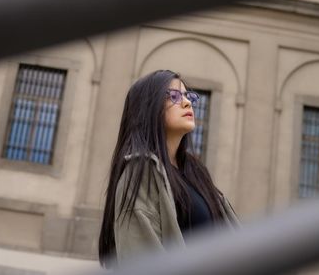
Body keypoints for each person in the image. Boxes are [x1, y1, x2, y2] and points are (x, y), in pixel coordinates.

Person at [98, 70, 239, 267]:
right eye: (173, 96)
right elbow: (141, 261)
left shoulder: (195, 172)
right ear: (148, 107)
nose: (187, 102)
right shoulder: (140, 172)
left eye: (187, 96)